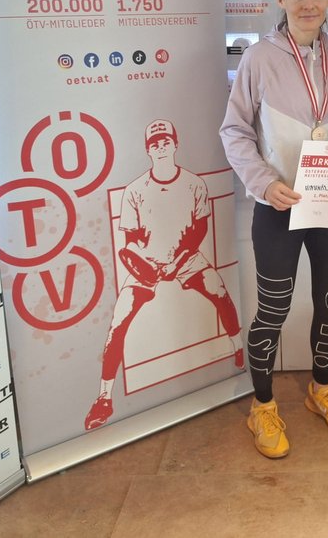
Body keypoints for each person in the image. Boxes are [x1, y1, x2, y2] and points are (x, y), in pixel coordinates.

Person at [220, 0, 328, 458]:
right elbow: (234, 131)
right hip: (278, 207)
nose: (309, 4)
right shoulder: (257, 58)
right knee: (273, 309)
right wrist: (264, 183)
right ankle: (262, 404)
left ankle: (321, 390)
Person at [84, 119, 243, 430]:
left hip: (186, 259)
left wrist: (177, 262)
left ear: (175, 144)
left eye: (165, 141)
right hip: (148, 264)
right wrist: (144, 263)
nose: (160, 146)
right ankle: (104, 398)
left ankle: (238, 348)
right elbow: (130, 239)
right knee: (118, 323)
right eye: (154, 143)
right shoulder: (135, 190)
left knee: (219, 290)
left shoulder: (194, 183)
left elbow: (199, 229)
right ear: (148, 149)